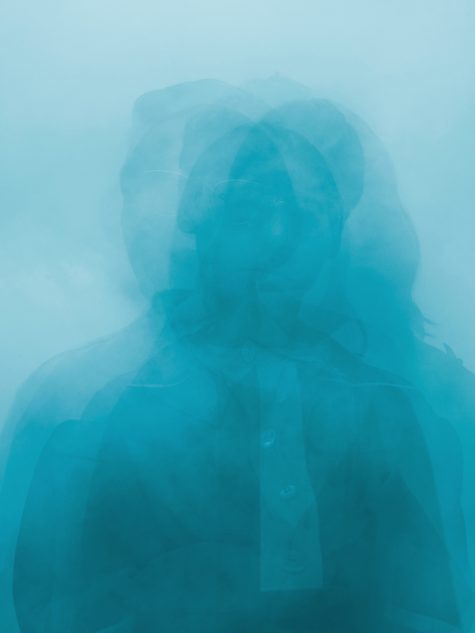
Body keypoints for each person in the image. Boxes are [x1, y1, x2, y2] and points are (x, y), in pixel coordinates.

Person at [11, 101, 463, 632]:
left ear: (336, 234)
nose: (278, 239)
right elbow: (56, 602)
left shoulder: (383, 407)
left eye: (306, 216)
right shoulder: (97, 406)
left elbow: (430, 603)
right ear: (196, 221)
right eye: (245, 212)